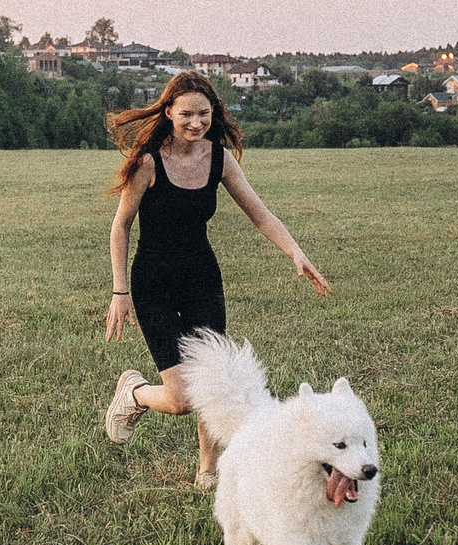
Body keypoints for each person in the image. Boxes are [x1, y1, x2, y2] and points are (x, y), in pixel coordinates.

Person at [101, 69, 329, 483]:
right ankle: (135, 393)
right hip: (153, 283)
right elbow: (121, 225)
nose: (196, 122)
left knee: (213, 384)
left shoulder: (219, 159)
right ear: (169, 112)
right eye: (186, 114)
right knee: (182, 399)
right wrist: (120, 292)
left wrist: (296, 253)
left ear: (213, 112)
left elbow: (260, 214)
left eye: (203, 114)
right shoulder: (149, 162)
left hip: (202, 280)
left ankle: (207, 470)